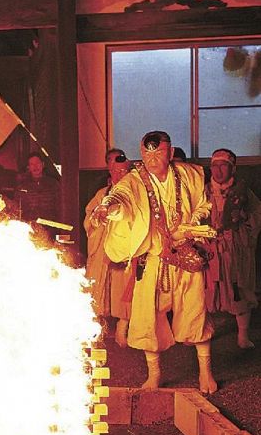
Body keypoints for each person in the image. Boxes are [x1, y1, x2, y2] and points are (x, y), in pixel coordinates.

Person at [90, 131, 217, 393]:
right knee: (148, 315)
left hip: (185, 252)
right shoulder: (134, 180)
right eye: (147, 153)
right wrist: (108, 208)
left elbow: (204, 206)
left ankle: (206, 372)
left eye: (158, 153)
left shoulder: (190, 174)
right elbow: (120, 198)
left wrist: (191, 225)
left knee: (195, 311)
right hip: (153, 257)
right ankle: (154, 375)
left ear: (170, 153)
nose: (152, 159)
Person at [205, 148, 261, 348]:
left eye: (223, 166)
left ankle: (243, 335)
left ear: (232, 168)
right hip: (210, 249)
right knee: (208, 289)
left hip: (236, 248)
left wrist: (243, 224)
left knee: (241, 288)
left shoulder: (243, 191)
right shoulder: (204, 191)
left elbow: (257, 215)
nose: (218, 171)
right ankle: (205, 332)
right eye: (215, 166)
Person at [83, 149, 131, 346]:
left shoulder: (133, 191)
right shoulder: (101, 193)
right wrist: (97, 220)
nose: (118, 171)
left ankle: (123, 327)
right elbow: (89, 217)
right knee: (98, 285)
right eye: (113, 165)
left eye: (122, 169)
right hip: (102, 245)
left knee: (123, 287)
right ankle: (98, 330)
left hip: (124, 247)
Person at [16, 152, 60, 223]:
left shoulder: (53, 183)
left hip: (51, 224)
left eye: (37, 163)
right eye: (32, 164)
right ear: (28, 167)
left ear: (43, 164)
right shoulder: (22, 186)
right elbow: (18, 207)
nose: (35, 166)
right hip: (30, 224)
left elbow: (60, 205)